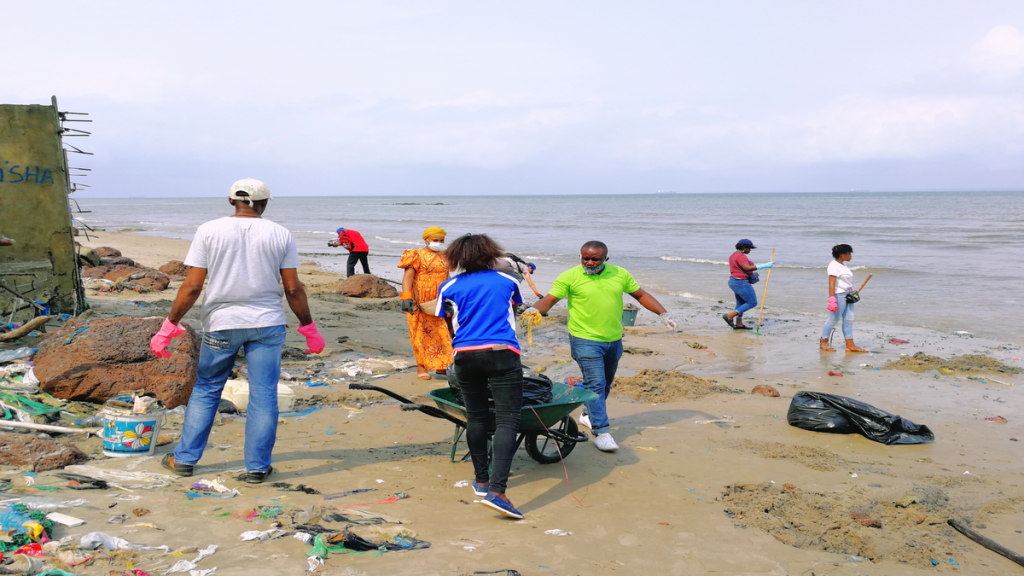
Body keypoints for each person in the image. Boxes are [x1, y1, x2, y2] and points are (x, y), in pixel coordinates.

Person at [151, 178, 325, 483]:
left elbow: (192, 286)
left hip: (221, 323)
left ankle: (184, 460)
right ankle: (257, 468)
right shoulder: (280, 234)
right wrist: (308, 326)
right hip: (267, 324)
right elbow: (293, 288)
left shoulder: (209, 230)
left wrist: (170, 324)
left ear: (231, 201)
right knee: (263, 394)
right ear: (265, 203)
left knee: (206, 389)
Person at [529, 241, 676, 452]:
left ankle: (588, 415)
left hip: (614, 339)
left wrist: (663, 313)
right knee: (595, 384)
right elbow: (550, 300)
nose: (589, 263)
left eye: (595, 259)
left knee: (605, 383)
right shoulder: (570, 276)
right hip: (584, 339)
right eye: (585, 258)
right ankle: (602, 431)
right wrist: (533, 311)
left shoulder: (619, 274)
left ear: (606, 259)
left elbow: (640, 295)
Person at [432, 233, 526, 519]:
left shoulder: (449, 285)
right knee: (508, 419)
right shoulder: (509, 281)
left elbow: (444, 316)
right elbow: (514, 308)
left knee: (476, 417)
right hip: (501, 352)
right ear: (491, 254)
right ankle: (498, 492)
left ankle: (482, 482)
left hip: (465, 356)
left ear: (458, 258)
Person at [398, 226, 453, 379]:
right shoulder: (417, 255)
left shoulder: (445, 256)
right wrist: (406, 298)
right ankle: (421, 368)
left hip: (439, 299)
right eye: (436, 240)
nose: (439, 243)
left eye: (442, 240)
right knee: (420, 333)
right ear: (426, 239)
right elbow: (408, 277)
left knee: (442, 333)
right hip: (419, 300)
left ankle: (442, 366)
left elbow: (448, 276)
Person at [820, 243, 867, 353]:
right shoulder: (833, 265)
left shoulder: (843, 265)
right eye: (849, 253)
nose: (850, 256)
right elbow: (832, 284)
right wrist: (832, 298)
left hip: (848, 295)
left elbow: (845, 282)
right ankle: (824, 342)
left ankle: (850, 345)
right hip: (838, 295)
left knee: (849, 319)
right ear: (842, 254)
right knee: (833, 319)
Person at [722, 239, 773, 330]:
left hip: (734, 281)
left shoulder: (733, 255)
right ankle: (730, 316)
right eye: (749, 248)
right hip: (740, 282)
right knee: (752, 302)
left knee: (741, 303)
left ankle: (739, 324)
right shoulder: (741, 256)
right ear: (744, 247)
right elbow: (747, 268)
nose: (750, 250)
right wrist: (765, 265)